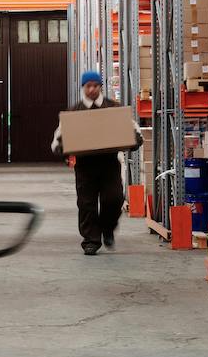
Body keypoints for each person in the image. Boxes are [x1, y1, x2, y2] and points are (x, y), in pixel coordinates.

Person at [51, 70, 141, 255]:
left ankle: (107, 228)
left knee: (114, 199)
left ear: (100, 86)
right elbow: (58, 139)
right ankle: (91, 240)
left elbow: (134, 132)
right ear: (83, 88)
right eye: (88, 86)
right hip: (85, 166)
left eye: (95, 85)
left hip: (109, 164)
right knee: (87, 204)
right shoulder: (73, 113)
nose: (91, 89)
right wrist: (61, 148)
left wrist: (133, 140)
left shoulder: (114, 108)